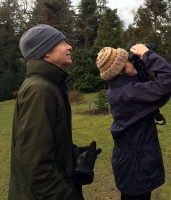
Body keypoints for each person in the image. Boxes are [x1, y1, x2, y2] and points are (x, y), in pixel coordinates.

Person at [8, 24, 101, 200]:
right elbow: (35, 165)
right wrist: (68, 196)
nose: (69, 46)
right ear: (45, 52)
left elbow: (43, 144)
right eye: (62, 42)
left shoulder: (48, 85)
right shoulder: (40, 89)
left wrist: (72, 154)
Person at [96, 44, 171, 200]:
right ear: (120, 71)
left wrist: (138, 57)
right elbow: (170, 80)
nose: (132, 62)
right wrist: (148, 55)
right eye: (128, 61)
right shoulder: (129, 93)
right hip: (136, 166)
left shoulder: (119, 89)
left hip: (130, 163)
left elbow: (142, 79)